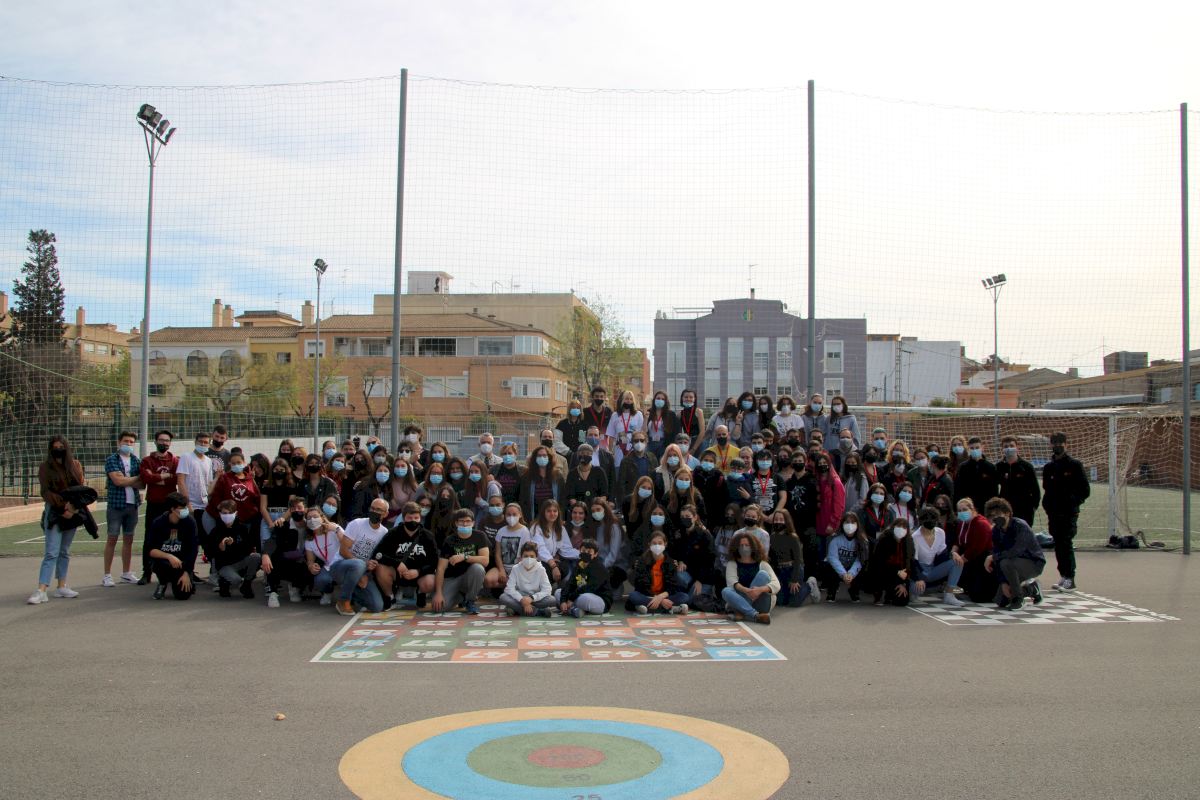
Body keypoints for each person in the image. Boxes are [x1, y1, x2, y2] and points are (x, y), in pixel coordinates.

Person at [28, 436, 89, 605]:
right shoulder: (45, 467)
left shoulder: (75, 465)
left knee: (64, 551)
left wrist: (73, 508)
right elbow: (45, 491)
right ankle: (41, 590)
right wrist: (63, 507)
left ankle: (62, 586)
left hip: (73, 511)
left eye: (61, 446)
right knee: (51, 552)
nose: (58, 449)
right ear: (50, 449)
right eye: (55, 447)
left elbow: (80, 488)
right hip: (55, 511)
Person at [1041, 431, 1090, 592]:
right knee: (1058, 544)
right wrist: (1047, 506)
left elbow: (1084, 490)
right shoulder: (1049, 467)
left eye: (1060, 443)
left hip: (1068, 513)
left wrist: (1072, 502)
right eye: (1054, 443)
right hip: (1054, 513)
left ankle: (1070, 578)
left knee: (1066, 543)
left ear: (1066, 445)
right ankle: (1063, 575)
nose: (1057, 446)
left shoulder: (1075, 465)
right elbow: (1047, 490)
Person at [374, 501, 438, 609]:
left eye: (416, 518)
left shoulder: (428, 536)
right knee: (380, 568)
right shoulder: (393, 533)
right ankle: (390, 596)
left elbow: (434, 561)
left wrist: (418, 571)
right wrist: (397, 563)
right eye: (409, 518)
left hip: (420, 574)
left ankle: (421, 592)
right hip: (398, 573)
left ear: (420, 518)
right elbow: (378, 554)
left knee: (430, 582)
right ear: (403, 518)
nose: (413, 521)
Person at [984, 498, 1045, 610]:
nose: (995, 518)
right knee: (1001, 600)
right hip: (1012, 565)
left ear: (1007, 513)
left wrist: (992, 557)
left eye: (998, 514)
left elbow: (1017, 550)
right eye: (992, 516)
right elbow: (998, 554)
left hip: (1033, 562)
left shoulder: (1020, 526)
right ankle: (1032, 589)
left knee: (1006, 563)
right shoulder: (996, 531)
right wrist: (1003, 581)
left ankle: (1019, 599)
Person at [136, 429, 179, 584]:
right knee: (150, 538)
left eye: (167, 441)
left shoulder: (175, 460)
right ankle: (146, 572)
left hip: (170, 505)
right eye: (161, 440)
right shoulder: (147, 460)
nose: (164, 443)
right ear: (155, 441)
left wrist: (157, 478)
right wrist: (163, 476)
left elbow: (175, 479)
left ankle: (172, 571)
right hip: (154, 503)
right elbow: (146, 478)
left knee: (172, 538)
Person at [102, 431, 143, 587]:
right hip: (116, 505)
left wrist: (127, 479)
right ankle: (107, 574)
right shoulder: (112, 459)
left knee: (129, 539)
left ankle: (126, 572)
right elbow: (117, 481)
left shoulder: (136, 461)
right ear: (119, 442)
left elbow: (142, 484)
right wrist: (134, 479)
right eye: (126, 441)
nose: (129, 444)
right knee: (112, 538)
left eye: (131, 442)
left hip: (132, 505)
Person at [433, 509, 491, 614]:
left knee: (478, 568)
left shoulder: (480, 536)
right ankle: (461, 597)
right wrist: (438, 593)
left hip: (470, 576)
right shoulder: (449, 540)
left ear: (473, 523)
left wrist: (464, 557)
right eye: (461, 521)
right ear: (456, 523)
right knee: (439, 608)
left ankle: (470, 601)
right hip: (452, 578)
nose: (465, 524)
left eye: (468, 521)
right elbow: (441, 568)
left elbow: (485, 560)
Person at [262, 496, 315, 609]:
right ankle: (273, 592)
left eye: (299, 507)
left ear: (305, 509)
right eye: (293, 508)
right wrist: (265, 554)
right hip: (286, 560)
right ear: (290, 510)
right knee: (273, 558)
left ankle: (295, 586)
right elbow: (272, 541)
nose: (296, 510)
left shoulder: (311, 526)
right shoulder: (282, 525)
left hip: (304, 560)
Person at [145, 492, 198, 601]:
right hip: (164, 562)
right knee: (160, 565)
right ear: (172, 509)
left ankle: (183, 580)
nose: (185, 510)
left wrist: (186, 572)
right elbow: (151, 550)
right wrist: (169, 556)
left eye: (185, 507)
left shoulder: (190, 522)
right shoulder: (159, 523)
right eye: (181, 508)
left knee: (183, 595)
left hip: (182, 563)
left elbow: (193, 550)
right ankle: (162, 583)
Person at [910, 505, 966, 606]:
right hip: (919, 570)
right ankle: (913, 591)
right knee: (918, 589)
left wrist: (953, 554)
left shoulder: (940, 532)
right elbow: (914, 562)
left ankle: (949, 595)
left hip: (932, 569)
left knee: (957, 562)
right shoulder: (915, 537)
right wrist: (918, 579)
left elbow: (942, 554)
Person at [721, 531, 781, 623]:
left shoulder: (762, 564)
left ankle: (742, 612)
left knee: (763, 575)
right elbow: (732, 583)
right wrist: (747, 591)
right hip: (741, 599)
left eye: (747, 545)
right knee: (726, 591)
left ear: (753, 547)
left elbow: (776, 584)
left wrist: (759, 590)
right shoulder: (732, 564)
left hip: (761, 602)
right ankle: (755, 615)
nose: (744, 548)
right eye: (741, 545)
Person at [208, 499, 261, 599]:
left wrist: (235, 544)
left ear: (235, 513)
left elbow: (248, 548)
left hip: (240, 561)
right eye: (224, 513)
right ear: (220, 514)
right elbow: (210, 552)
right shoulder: (216, 531)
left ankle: (247, 583)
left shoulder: (242, 529)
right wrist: (220, 548)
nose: (226, 515)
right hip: (225, 565)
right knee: (235, 579)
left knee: (257, 557)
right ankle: (224, 582)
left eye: (229, 513)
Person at [627, 531, 689, 614]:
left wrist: (661, 597)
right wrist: (659, 600)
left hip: (664, 595)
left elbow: (672, 586)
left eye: (660, 543)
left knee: (684, 596)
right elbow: (641, 585)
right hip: (647, 595)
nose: (657, 546)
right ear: (649, 544)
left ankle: (646, 607)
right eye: (654, 543)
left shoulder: (671, 562)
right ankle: (671, 608)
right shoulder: (642, 561)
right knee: (633, 595)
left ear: (665, 544)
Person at [768, 509, 820, 606]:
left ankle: (810, 585)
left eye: (781, 519)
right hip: (780, 570)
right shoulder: (772, 537)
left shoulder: (793, 537)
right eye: (776, 519)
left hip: (793, 569)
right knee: (780, 602)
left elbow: (798, 560)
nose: (778, 522)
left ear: (787, 521)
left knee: (794, 602)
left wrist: (794, 579)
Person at [952, 498, 998, 603]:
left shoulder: (981, 524)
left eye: (964, 509)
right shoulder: (962, 524)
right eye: (959, 510)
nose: (962, 512)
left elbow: (977, 548)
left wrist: (960, 560)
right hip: (968, 558)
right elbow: (958, 541)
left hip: (982, 559)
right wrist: (953, 552)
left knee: (979, 597)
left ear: (972, 509)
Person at [669, 504, 717, 600]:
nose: (685, 519)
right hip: (687, 575)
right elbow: (676, 552)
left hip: (703, 578)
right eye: (682, 517)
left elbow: (709, 561)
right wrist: (680, 561)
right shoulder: (679, 534)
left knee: (692, 600)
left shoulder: (705, 535)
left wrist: (699, 580)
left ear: (695, 517)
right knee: (677, 575)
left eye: (687, 516)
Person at [499, 541, 556, 617]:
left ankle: (516, 609)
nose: (529, 559)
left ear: (536, 557)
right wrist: (522, 600)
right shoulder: (516, 568)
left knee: (552, 600)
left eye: (532, 556)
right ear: (521, 557)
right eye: (526, 556)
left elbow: (547, 589)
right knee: (503, 597)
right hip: (520, 596)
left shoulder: (541, 569)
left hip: (535, 598)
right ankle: (538, 611)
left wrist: (531, 598)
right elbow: (509, 589)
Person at [304, 502, 345, 606]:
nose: (312, 520)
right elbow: (310, 561)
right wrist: (311, 566)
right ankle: (327, 593)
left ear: (322, 517)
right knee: (320, 580)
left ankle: (348, 596)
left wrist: (336, 530)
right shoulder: (309, 541)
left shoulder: (334, 528)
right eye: (309, 518)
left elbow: (347, 544)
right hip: (329, 567)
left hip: (344, 563)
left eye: (315, 517)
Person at [869, 518, 918, 607]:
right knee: (879, 575)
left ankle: (890, 594)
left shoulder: (908, 542)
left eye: (904, 527)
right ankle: (879, 593)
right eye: (899, 526)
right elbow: (879, 562)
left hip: (901, 575)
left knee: (902, 601)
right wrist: (897, 572)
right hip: (884, 572)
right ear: (893, 527)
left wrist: (903, 583)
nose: (901, 529)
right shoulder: (884, 540)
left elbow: (910, 563)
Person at [559, 538, 612, 617]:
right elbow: (570, 583)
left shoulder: (599, 568)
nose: (586, 553)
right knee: (558, 593)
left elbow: (589, 588)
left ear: (595, 554)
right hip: (579, 594)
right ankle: (575, 610)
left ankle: (571, 608)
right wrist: (563, 600)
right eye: (583, 551)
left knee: (585, 598)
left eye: (589, 552)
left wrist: (571, 598)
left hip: (598, 600)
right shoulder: (579, 565)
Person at [823, 512, 870, 602]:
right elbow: (833, 558)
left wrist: (851, 574)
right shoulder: (835, 539)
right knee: (828, 566)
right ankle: (831, 591)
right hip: (838, 567)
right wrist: (844, 574)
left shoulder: (863, 541)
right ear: (842, 524)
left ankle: (854, 591)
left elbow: (860, 560)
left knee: (864, 566)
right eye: (847, 522)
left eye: (853, 522)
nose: (850, 525)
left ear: (857, 524)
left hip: (853, 567)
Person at [997, 436, 1041, 527]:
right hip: (1005, 510)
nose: (1009, 448)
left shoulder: (1027, 467)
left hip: (1024, 510)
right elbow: (993, 487)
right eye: (1006, 446)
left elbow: (1035, 491)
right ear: (1002, 449)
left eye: (1011, 446)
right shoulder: (998, 467)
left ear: (1017, 447)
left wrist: (1032, 508)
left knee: (1023, 534)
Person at [531, 499, 577, 585]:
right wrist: (553, 565)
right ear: (543, 513)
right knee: (546, 569)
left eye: (555, 511)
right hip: (538, 562)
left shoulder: (561, 528)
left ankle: (552, 586)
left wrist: (582, 554)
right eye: (549, 511)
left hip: (552, 561)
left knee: (564, 567)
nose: (552, 514)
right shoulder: (536, 527)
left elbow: (566, 549)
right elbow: (540, 549)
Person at [487, 503, 531, 591]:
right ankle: (510, 587)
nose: (511, 517)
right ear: (505, 515)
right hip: (503, 567)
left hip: (519, 568)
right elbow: (497, 554)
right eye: (508, 514)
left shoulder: (525, 531)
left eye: (514, 514)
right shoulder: (501, 531)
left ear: (520, 515)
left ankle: (510, 587)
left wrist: (515, 572)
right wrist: (501, 570)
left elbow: (526, 554)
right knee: (488, 580)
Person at [954, 437, 999, 516]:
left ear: (982, 448)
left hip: (986, 508)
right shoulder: (963, 467)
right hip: (968, 508)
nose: (974, 450)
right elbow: (958, 489)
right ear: (968, 449)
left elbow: (994, 490)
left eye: (977, 447)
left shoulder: (990, 467)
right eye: (972, 448)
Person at [605, 389, 644, 468]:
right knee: (618, 471)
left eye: (631, 399)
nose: (629, 401)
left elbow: (641, 434)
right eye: (626, 399)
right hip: (619, 450)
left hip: (633, 449)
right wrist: (611, 452)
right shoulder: (615, 415)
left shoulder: (638, 415)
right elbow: (611, 435)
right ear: (621, 400)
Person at [616, 431, 658, 502]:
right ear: (632, 443)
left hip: (649, 497)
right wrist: (623, 502)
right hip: (632, 498)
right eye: (636, 441)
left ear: (646, 442)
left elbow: (656, 480)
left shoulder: (652, 458)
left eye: (642, 440)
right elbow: (621, 484)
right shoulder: (626, 461)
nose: (639, 443)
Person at [566, 443, 609, 508]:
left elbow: (604, 494)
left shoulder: (599, 472)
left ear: (592, 455)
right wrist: (578, 509)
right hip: (578, 509)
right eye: (582, 453)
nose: (585, 455)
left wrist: (597, 507)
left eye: (588, 453)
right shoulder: (572, 474)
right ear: (577, 455)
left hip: (596, 508)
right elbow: (571, 496)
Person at [747, 449, 788, 515]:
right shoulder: (750, 478)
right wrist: (762, 515)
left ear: (771, 461)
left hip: (774, 515)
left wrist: (775, 513)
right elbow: (749, 497)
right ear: (756, 461)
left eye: (767, 459)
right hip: (755, 515)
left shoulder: (778, 478)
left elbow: (783, 498)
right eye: (762, 459)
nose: (765, 461)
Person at [644, 390, 679, 458]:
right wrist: (645, 418)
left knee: (662, 462)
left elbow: (675, 432)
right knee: (650, 462)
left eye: (663, 399)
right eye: (658, 398)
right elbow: (644, 431)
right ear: (654, 400)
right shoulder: (649, 412)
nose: (660, 400)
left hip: (664, 444)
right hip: (650, 443)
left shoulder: (671, 414)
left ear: (666, 401)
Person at [677, 389, 706, 458]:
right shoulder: (679, 414)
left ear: (694, 399)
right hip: (686, 442)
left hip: (698, 442)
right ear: (682, 398)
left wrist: (694, 449)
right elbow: (679, 433)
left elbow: (702, 432)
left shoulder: (698, 412)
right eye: (686, 397)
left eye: (691, 397)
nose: (688, 399)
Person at [840, 452, 870, 516]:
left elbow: (863, 499)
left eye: (853, 463)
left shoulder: (862, 478)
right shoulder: (844, 477)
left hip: (856, 514)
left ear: (857, 464)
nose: (850, 464)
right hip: (843, 513)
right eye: (848, 462)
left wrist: (852, 511)